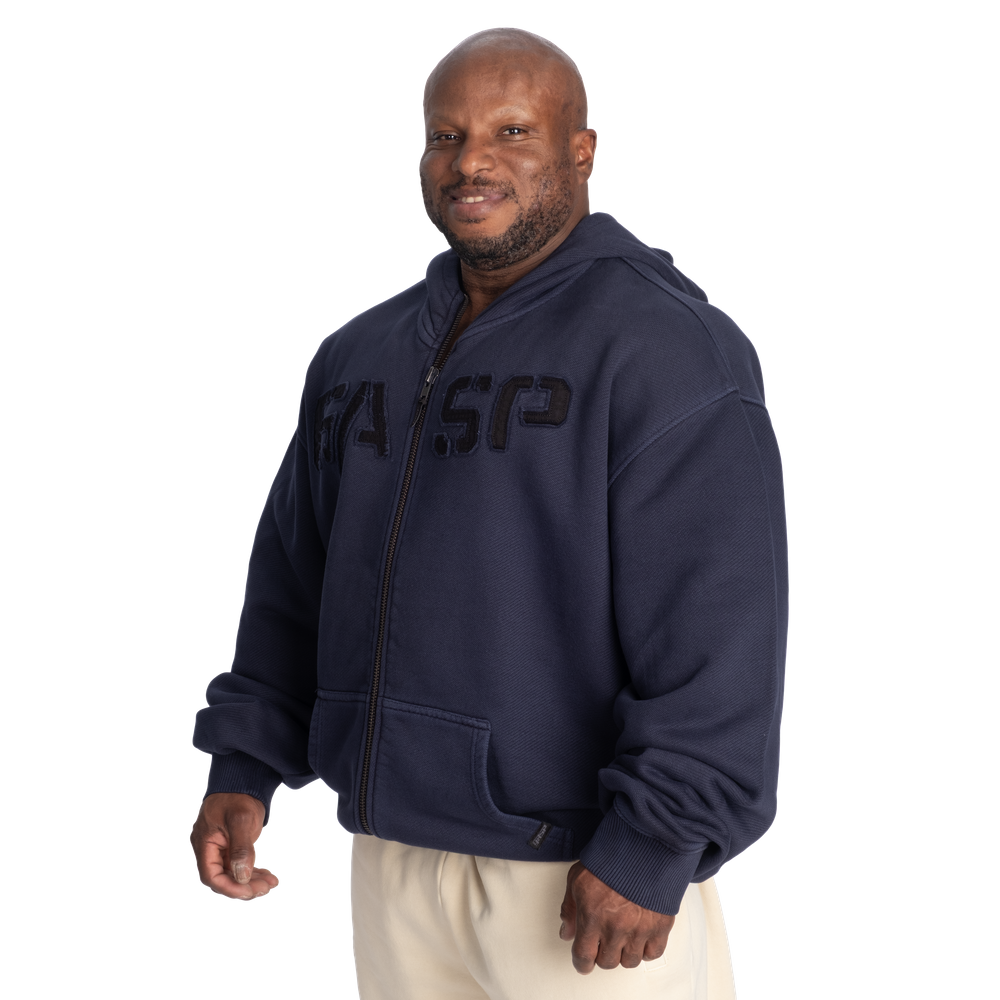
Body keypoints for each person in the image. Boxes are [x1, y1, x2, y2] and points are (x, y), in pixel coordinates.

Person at [190, 26, 787, 1000]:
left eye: (512, 131)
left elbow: (721, 618)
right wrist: (244, 763)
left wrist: (655, 842)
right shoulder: (360, 356)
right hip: (393, 860)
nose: (471, 160)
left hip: (583, 873)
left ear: (580, 151)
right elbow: (295, 579)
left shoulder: (664, 349)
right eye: (446, 135)